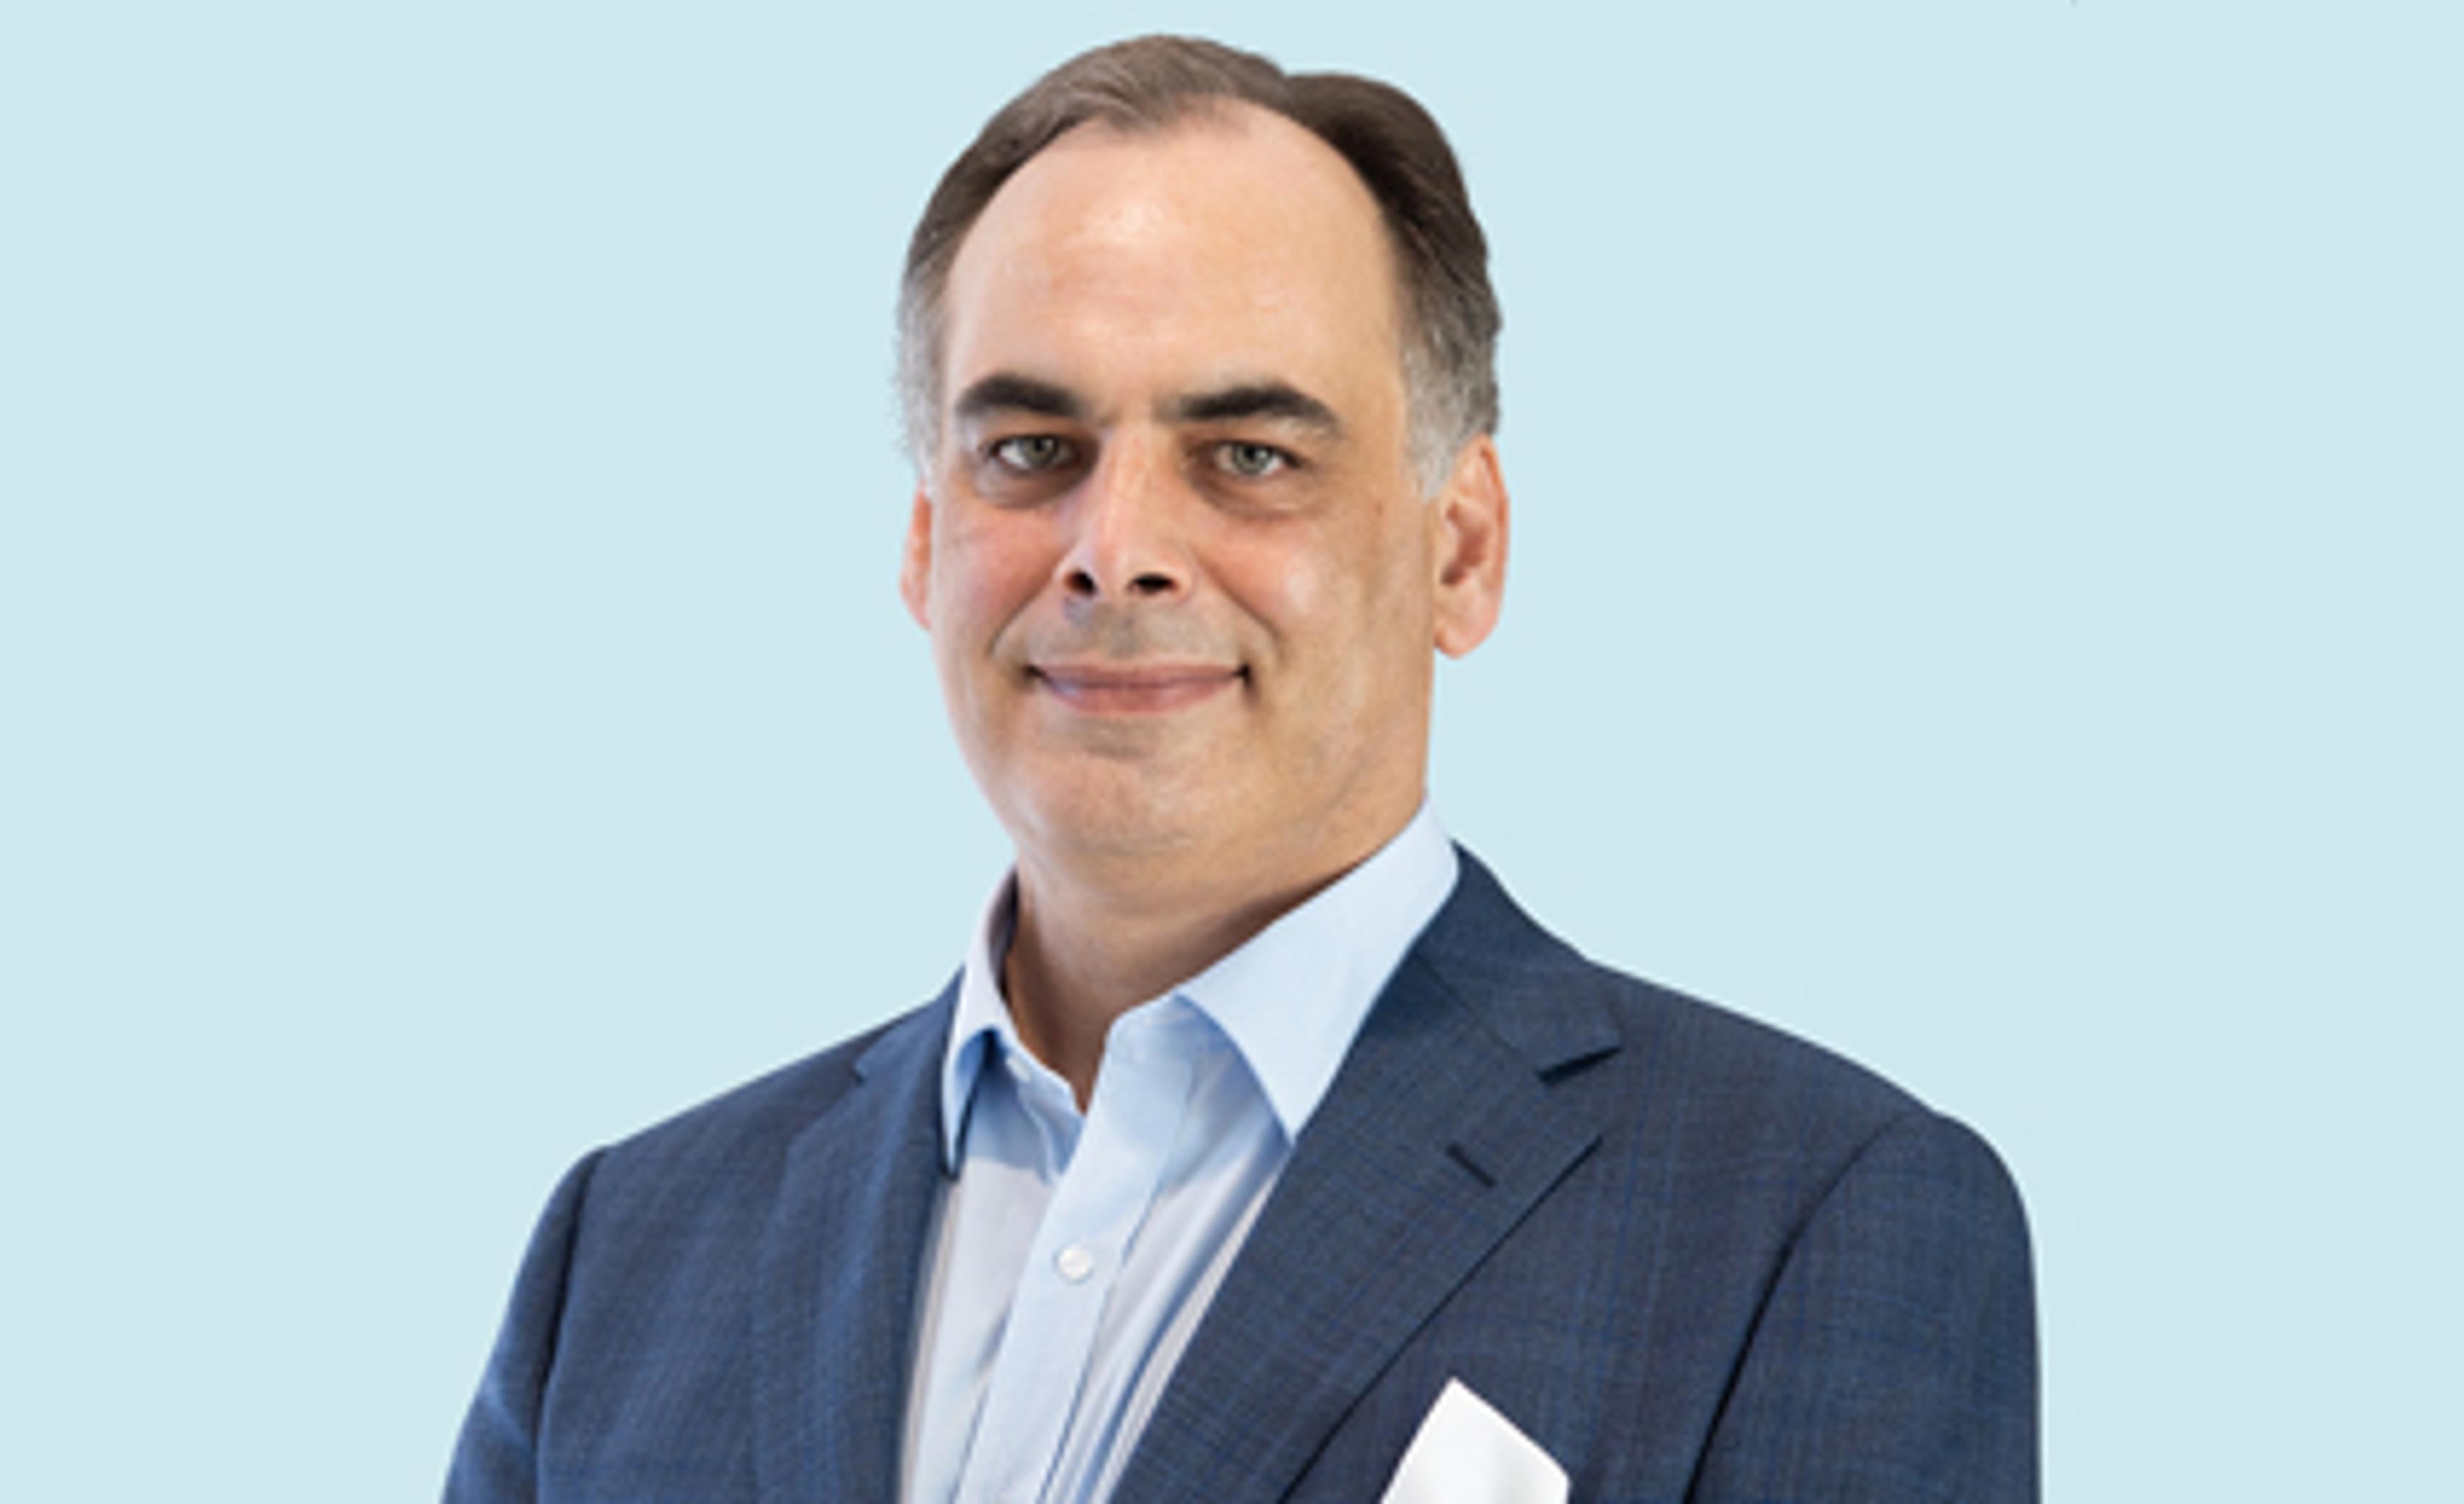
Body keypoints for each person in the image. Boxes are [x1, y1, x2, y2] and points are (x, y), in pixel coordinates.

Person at [446, 35, 2037, 1503]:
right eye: (1032, 451)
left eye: (1251, 455)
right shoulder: (627, 1253)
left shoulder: (1804, 1223)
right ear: (927, 543)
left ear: (1461, 549)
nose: (1116, 547)